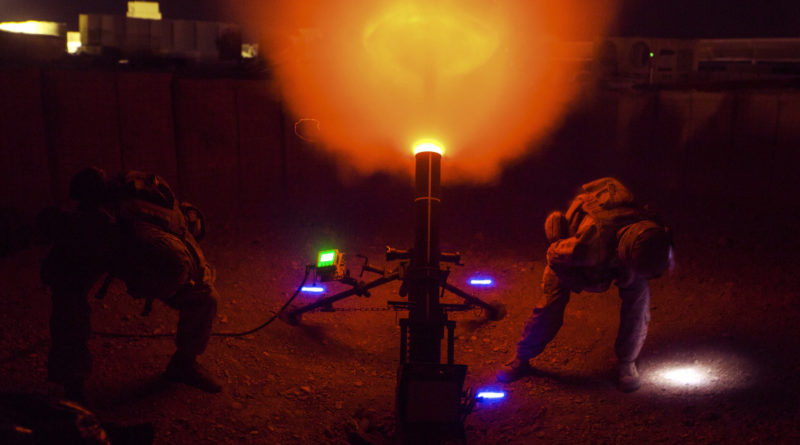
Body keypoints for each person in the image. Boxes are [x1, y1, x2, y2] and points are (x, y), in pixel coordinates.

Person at [40, 167, 221, 402]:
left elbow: (188, 248)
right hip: (108, 245)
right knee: (68, 303)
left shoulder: (166, 223)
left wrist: (171, 282)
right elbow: (57, 269)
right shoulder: (87, 230)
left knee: (205, 296)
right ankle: (72, 386)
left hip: (144, 246)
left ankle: (184, 364)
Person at [497, 177, 673, 392]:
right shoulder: (586, 247)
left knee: (638, 296)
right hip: (571, 260)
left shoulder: (650, 236)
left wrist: (627, 273)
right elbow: (553, 255)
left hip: (619, 254)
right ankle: (522, 357)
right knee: (550, 305)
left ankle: (627, 361)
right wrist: (581, 279)